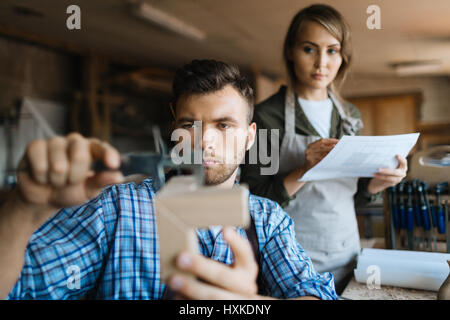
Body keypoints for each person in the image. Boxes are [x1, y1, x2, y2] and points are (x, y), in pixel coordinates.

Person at [0, 59, 337, 300]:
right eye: (190, 125)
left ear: (250, 138)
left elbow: (311, 291)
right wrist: (22, 208)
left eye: (223, 125)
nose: (204, 141)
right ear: (175, 131)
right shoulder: (117, 207)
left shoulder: (268, 221)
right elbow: (19, 287)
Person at [240, 4, 407, 294]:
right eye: (309, 49)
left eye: (332, 50)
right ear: (291, 51)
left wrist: (376, 185)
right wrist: (304, 170)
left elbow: (353, 199)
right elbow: (254, 203)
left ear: (343, 57)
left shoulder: (351, 118)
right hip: (288, 260)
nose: (321, 63)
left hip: (348, 255)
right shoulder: (267, 118)